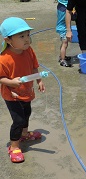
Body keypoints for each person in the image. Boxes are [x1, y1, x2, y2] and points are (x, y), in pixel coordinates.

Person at [0, 17, 46, 163]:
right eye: (21, 36)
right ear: (8, 40)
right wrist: (10, 82)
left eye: (27, 35)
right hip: (11, 94)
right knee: (18, 119)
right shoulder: (4, 59)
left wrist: (39, 80)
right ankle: (14, 146)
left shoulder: (29, 51)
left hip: (27, 91)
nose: (26, 39)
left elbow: (34, 66)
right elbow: (1, 78)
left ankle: (24, 134)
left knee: (27, 113)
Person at [56, 0, 72, 67]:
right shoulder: (65, 9)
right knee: (65, 44)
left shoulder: (60, 5)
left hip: (60, 27)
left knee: (63, 43)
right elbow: (68, 18)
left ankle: (62, 56)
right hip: (63, 28)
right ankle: (62, 60)